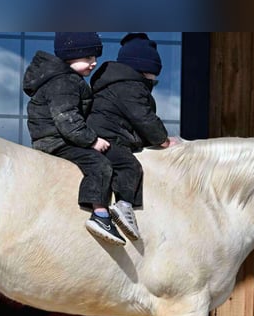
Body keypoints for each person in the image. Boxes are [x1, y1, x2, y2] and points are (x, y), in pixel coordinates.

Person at [22, 32, 127, 245]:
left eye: (95, 58)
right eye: (88, 58)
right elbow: (66, 119)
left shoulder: (61, 79)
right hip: (57, 141)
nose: (94, 63)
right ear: (71, 56)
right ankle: (100, 215)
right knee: (99, 164)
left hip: (52, 139)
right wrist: (92, 141)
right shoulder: (65, 82)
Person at [87, 32, 179, 241]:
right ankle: (123, 206)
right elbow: (143, 118)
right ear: (143, 72)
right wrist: (162, 140)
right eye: (152, 80)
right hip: (108, 138)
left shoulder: (116, 84)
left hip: (109, 134)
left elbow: (134, 124)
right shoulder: (130, 87)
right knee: (130, 166)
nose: (152, 85)